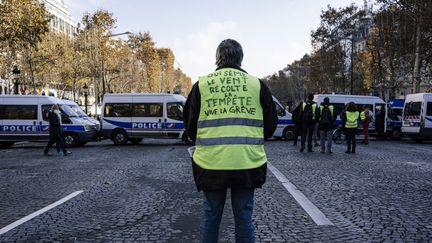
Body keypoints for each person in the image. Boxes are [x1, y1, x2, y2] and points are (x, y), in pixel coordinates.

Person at [184, 39, 277, 243]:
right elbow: (270, 127)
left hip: (210, 163)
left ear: (217, 58)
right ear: (241, 59)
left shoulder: (202, 85)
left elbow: (190, 127)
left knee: (211, 217)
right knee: (244, 218)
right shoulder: (257, 85)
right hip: (247, 162)